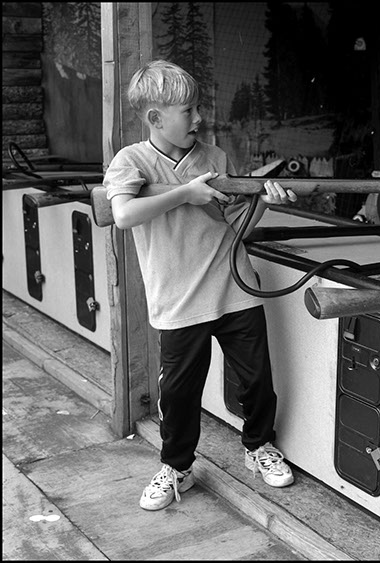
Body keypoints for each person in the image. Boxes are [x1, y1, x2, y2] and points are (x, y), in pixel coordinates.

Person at [103, 59, 297, 511]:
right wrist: (185, 193)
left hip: (235, 286)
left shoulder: (214, 158)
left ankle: (259, 447)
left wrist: (264, 201)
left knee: (256, 382)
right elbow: (123, 214)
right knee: (179, 394)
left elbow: (236, 225)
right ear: (156, 119)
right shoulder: (130, 161)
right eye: (188, 111)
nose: (198, 118)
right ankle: (177, 467)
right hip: (177, 299)